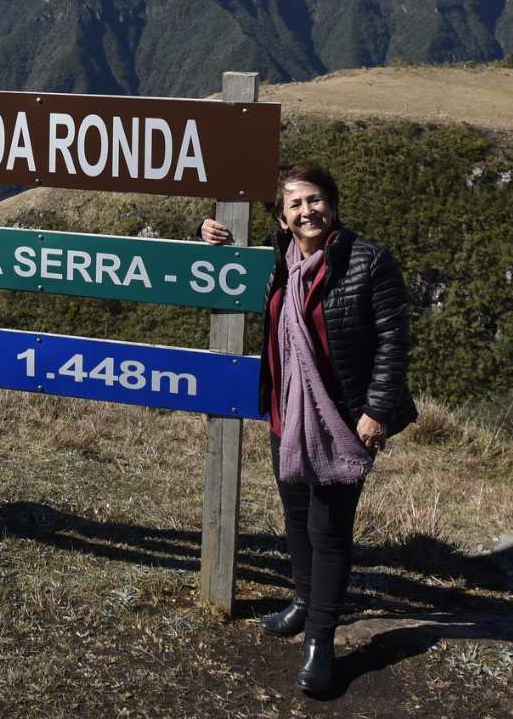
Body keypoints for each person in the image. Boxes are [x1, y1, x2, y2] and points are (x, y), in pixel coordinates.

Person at [200, 163, 415, 695]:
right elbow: (221, 270)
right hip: (285, 408)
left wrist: (378, 409)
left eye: (315, 200)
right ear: (282, 216)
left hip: (343, 417)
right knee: (295, 513)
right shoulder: (276, 258)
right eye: (295, 204)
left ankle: (321, 639)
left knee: (329, 529)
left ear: (334, 205)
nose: (307, 211)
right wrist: (205, 233)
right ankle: (302, 599)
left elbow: (394, 339)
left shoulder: (369, 261)